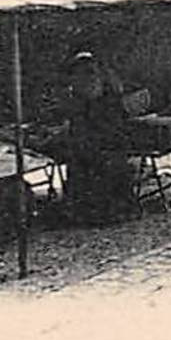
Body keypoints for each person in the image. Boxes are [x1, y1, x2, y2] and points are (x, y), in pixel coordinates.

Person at [58, 52, 136, 224]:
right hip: (103, 143)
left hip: (104, 145)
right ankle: (98, 211)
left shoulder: (100, 90)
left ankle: (98, 213)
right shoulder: (96, 87)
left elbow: (92, 119)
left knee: (89, 167)